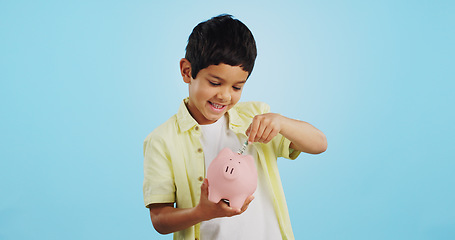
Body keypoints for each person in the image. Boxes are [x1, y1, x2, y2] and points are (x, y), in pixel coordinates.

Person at [143, 14, 327, 240]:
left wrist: (282, 123)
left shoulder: (256, 117)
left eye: (237, 87)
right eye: (214, 83)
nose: (224, 95)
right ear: (187, 71)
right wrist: (201, 213)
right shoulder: (162, 140)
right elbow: (159, 220)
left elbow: (320, 144)